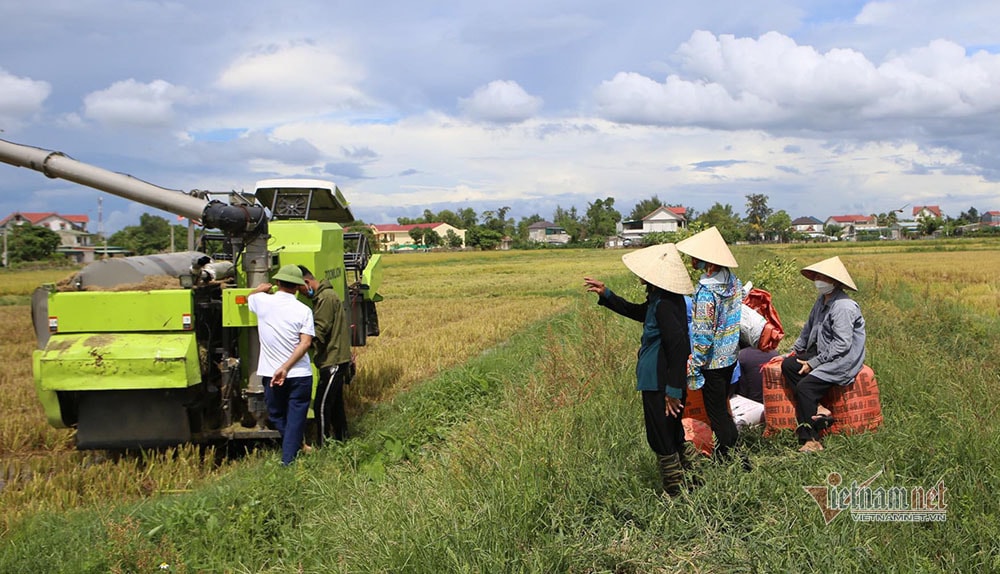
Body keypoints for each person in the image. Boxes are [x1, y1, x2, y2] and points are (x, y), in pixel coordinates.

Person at [584, 243, 693, 496]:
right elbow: (638, 312)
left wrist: (673, 390)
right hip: (660, 379)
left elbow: (678, 346)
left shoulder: (666, 303)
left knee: (662, 435)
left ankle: (676, 491)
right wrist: (607, 294)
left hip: (660, 380)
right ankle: (689, 482)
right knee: (672, 432)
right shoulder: (660, 297)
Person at [781, 256, 866, 453]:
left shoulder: (843, 307)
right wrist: (794, 351)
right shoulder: (821, 301)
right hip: (823, 353)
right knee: (788, 366)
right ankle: (819, 408)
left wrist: (814, 363)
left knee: (805, 387)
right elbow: (808, 329)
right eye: (817, 276)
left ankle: (811, 439)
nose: (818, 280)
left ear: (834, 282)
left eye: (823, 277)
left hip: (842, 360)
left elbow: (842, 344)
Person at [676, 226, 743, 461]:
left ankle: (731, 459)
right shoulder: (733, 282)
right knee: (723, 411)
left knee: (717, 415)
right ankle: (733, 453)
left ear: (706, 261)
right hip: (730, 356)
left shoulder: (705, 292)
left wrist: (696, 362)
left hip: (712, 361)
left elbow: (703, 335)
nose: (693, 261)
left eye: (696, 257)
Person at [248, 264, 315, 465]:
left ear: (277, 282)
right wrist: (287, 367)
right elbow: (306, 343)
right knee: (295, 420)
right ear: (297, 286)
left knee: (276, 414)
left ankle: (288, 461)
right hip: (300, 374)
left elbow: (251, 296)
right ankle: (296, 449)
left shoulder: (261, 302)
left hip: (272, 374)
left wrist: (260, 289)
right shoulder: (304, 310)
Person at [298, 265, 354, 444]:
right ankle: (342, 439)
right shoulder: (325, 296)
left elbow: (320, 330)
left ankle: (323, 444)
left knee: (321, 405)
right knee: (336, 405)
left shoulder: (325, 298)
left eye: (301, 289)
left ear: (307, 282)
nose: (303, 294)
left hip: (333, 359)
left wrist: (299, 347)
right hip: (334, 358)